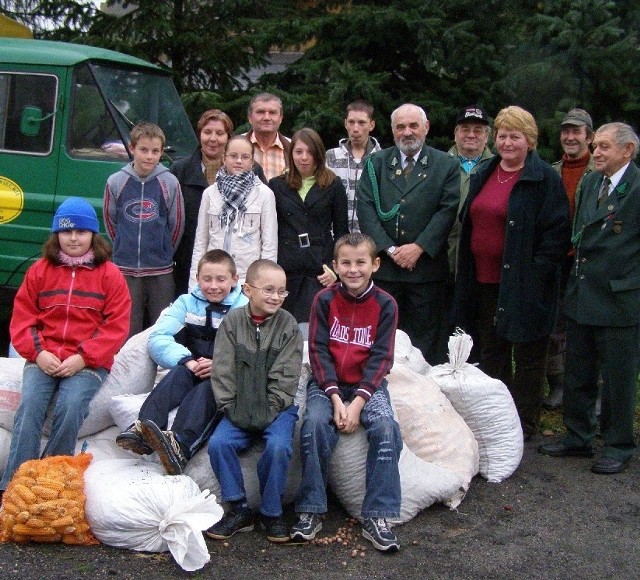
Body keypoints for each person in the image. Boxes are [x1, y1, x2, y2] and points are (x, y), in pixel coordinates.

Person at [454, 105, 570, 440]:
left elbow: (556, 233)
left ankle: (524, 424)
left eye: (515, 136)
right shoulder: (487, 171)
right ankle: (497, 419)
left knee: (530, 356)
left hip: (526, 284)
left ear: (529, 141)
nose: (507, 142)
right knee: (494, 352)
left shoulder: (543, 178)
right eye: (503, 135)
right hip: (485, 281)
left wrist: (536, 274)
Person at [0, 198, 130, 495]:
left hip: (87, 364)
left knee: (71, 408)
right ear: (56, 234)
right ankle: (14, 486)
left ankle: (52, 481)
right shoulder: (40, 271)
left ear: (93, 236)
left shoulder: (110, 275)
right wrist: (38, 353)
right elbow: (22, 319)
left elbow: (116, 326)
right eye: (67, 231)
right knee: (30, 407)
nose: (74, 238)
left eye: (81, 232)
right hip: (43, 357)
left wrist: (84, 358)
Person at [290, 232, 402, 553]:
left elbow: (382, 358)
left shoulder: (385, 304)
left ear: (375, 265)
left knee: (386, 429)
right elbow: (318, 351)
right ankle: (311, 508)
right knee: (312, 426)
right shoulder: (323, 300)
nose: (354, 270)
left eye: (361, 263)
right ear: (335, 266)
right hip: (328, 384)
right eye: (346, 263)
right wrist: (337, 398)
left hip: (369, 385)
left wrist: (358, 404)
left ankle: (378, 516)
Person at [539, 122, 640, 474]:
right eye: (595, 146)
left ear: (627, 150)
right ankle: (578, 436)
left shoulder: (637, 187)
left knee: (617, 377)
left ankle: (618, 444)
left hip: (618, 300)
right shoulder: (593, 182)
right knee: (578, 369)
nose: (595, 152)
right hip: (582, 293)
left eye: (605, 147)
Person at [116, 249, 247, 475]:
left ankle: (180, 444)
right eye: (207, 279)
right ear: (197, 279)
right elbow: (158, 338)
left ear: (235, 280)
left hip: (223, 377)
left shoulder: (243, 309)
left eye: (221, 279)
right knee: (176, 374)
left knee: (206, 391)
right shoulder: (186, 303)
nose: (213, 286)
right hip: (192, 365)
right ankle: (144, 428)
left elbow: (250, 351)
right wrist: (187, 360)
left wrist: (220, 365)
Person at [206, 259, 303, 543]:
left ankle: (272, 512)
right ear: (248, 289)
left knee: (278, 446)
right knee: (219, 444)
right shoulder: (233, 323)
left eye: (282, 292)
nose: (276, 297)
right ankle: (238, 509)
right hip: (238, 408)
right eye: (269, 290)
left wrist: (267, 412)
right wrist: (230, 408)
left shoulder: (289, 327)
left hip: (277, 410)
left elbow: (287, 378)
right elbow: (222, 371)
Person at [357, 103, 460, 364]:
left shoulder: (445, 164)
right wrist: (389, 249)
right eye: (400, 126)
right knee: (383, 336)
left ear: (426, 128)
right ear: (392, 131)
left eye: (413, 125)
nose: (407, 132)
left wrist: (419, 247)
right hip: (386, 271)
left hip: (426, 271)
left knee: (426, 341)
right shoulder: (376, 163)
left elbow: (447, 210)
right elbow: (366, 208)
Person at [170, 110, 267, 296]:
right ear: (199, 134)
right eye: (207, 132)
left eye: (220, 133)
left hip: (239, 264)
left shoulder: (253, 173)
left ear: (228, 138)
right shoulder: (179, 171)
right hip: (189, 260)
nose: (212, 138)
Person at [104, 121, 185, 337]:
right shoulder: (116, 182)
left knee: (163, 326)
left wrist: (164, 250)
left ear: (161, 152)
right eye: (143, 150)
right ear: (132, 149)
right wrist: (123, 245)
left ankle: (161, 370)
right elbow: (111, 221)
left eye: (155, 151)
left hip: (160, 268)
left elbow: (176, 224)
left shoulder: (169, 182)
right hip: (126, 268)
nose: (149, 156)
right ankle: (125, 369)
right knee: (127, 327)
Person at [269, 128, 348, 326]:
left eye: (310, 152)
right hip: (286, 270)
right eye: (299, 152)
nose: (304, 158)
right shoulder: (277, 185)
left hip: (319, 270)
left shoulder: (333, 184)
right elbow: (270, 230)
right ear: (291, 154)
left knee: (316, 327)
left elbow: (341, 232)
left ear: (319, 154)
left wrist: (334, 269)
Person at [543, 108, 595, 410]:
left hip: (587, 259)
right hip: (557, 259)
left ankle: (594, 389)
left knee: (588, 326)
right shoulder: (552, 170)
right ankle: (559, 384)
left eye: (576, 132)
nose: (570, 137)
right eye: (566, 131)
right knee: (555, 325)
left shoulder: (599, 170)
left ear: (589, 136)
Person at [188, 136, 277, 286]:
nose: (238, 161)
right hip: (214, 279)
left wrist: (264, 283)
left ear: (252, 162)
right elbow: (201, 242)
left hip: (247, 279)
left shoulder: (264, 194)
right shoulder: (210, 193)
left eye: (245, 157)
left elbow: (269, 244)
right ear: (224, 158)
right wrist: (194, 284)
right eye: (233, 156)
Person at [447, 105, 494, 279]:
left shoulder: (498, 167)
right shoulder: (438, 165)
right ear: (455, 133)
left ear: (487, 136)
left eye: (478, 130)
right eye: (465, 129)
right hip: (442, 262)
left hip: (481, 266)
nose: (471, 135)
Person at [325, 100, 382, 233]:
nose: (356, 129)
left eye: (361, 123)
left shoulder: (381, 159)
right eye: (351, 122)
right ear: (346, 123)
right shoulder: (331, 157)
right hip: (336, 237)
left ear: (371, 125)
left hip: (369, 239)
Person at [244, 93, 290, 181]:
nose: (267, 117)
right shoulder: (234, 146)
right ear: (250, 117)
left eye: (272, 113)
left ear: (280, 118)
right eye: (260, 112)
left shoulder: (293, 148)